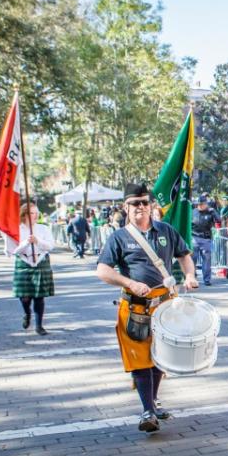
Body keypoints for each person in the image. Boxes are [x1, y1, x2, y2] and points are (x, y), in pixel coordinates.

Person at [96, 183, 198, 433]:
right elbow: (103, 270)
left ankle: (152, 402)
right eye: (135, 203)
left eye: (144, 202)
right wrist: (129, 282)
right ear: (125, 207)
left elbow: (184, 255)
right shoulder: (118, 237)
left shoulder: (166, 230)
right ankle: (148, 411)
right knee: (140, 360)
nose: (140, 207)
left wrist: (189, 275)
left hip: (165, 306)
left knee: (160, 358)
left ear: (151, 205)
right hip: (135, 308)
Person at [5, 203, 55, 336]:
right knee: (25, 297)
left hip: (41, 261)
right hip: (24, 262)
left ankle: (39, 326)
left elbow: (50, 246)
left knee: (39, 297)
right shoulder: (16, 229)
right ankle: (27, 313)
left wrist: (38, 241)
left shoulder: (43, 228)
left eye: (37, 212)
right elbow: (11, 251)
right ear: (24, 214)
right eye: (32, 213)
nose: (36, 215)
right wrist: (26, 242)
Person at [191, 195, 220, 286]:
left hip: (206, 239)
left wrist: (214, 212)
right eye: (198, 204)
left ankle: (207, 280)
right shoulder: (193, 212)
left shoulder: (210, 212)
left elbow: (218, 220)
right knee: (193, 259)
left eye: (202, 204)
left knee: (206, 260)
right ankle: (192, 278)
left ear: (206, 204)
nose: (200, 206)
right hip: (194, 237)